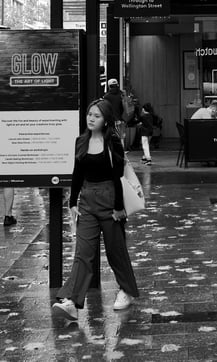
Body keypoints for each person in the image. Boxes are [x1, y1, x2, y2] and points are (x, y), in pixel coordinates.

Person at [52, 99, 139, 320]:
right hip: (87, 202)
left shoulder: (114, 143)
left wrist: (119, 209)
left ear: (106, 119)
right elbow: (77, 172)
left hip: (110, 200)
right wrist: (72, 202)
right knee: (83, 252)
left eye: (96, 116)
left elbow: (117, 177)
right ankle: (72, 301)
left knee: (115, 251)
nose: (91, 118)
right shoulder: (80, 141)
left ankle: (127, 290)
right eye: (89, 114)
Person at [104, 79, 126, 145]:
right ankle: (122, 152)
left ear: (109, 86)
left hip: (111, 120)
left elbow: (105, 109)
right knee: (121, 138)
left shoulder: (106, 96)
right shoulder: (121, 95)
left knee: (110, 137)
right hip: (121, 119)